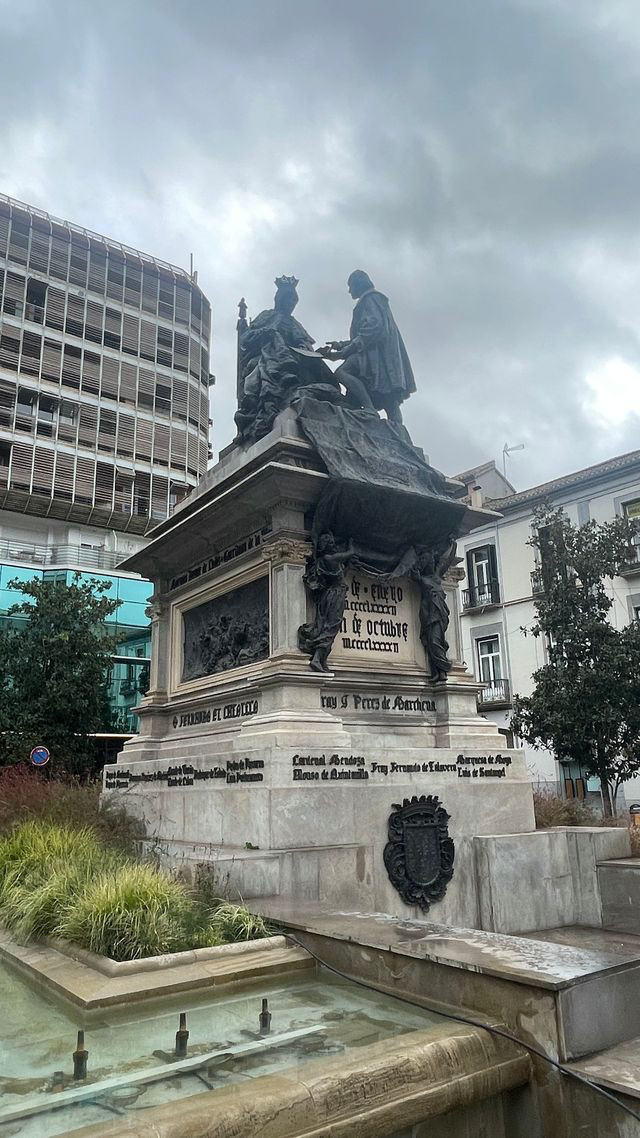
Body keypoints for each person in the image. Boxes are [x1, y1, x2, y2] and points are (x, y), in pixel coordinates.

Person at [234, 276, 335, 444]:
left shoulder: (294, 322)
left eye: (293, 303)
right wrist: (267, 332)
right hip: (266, 356)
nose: (290, 306)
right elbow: (246, 338)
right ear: (280, 299)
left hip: (294, 356)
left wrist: (306, 347)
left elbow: (302, 341)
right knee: (273, 352)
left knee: (317, 366)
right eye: (288, 301)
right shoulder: (266, 316)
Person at [319, 270, 416, 423]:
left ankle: (369, 408)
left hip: (374, 355)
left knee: (342, 372)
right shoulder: (373, 300)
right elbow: (365, 332)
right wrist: (340, 345)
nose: (349, 290)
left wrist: (344, 352)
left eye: (351, 286)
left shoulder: (371, 299)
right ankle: (398, 434)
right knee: (389, 400)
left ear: (358, 284)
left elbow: (373, 328)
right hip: (377, 354)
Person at [298, 533, 354, 672]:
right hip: (335, 595)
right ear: (328, 545)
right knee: (331, 626)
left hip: (328, 596)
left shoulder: (324, 560)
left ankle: (321, 659)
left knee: (326, 625)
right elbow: (351, 553)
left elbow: (340, 572)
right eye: (332, 543)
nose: (334, 545)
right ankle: (317, 659)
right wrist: (351, 540)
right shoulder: (331, 558)